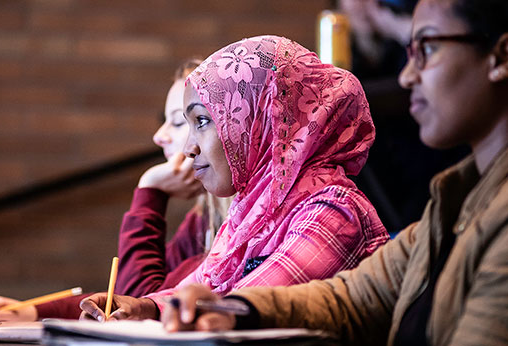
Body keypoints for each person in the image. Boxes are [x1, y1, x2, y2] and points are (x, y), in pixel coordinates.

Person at [164, 0, 508, 344]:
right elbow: (356, 298)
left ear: (503, 57)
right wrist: (227, 309)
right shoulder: (467, 193)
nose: (406, 75)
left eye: (428, 48)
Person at [78, 35, 389, 322]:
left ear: (260, 121)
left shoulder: (334, 212)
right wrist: (144, 307)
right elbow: (201, 287)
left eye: (202, 121)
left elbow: (241, 308)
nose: (189, 147)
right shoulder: (250, 211)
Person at [0, 61, 232, 324]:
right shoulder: (203, 219)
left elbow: (140, 304)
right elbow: (133, 302)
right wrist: (35, 311)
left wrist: (150, 191)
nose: (158, 136)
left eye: (180, 122)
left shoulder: (239, 224)